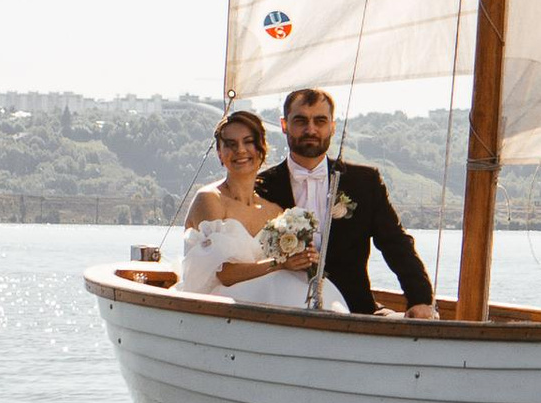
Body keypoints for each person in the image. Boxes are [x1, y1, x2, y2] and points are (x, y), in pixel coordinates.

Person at [255, 87, 441, 318]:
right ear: (284, 125)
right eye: (300, 120)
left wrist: (420, 298)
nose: (310, 129)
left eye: (320, 121)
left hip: (354, 309)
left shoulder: (364, 182)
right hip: (277, 311)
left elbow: (395, 243)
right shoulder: (261, 186)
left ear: (333, 126)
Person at [176, 108, 315, 313]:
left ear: (261, 149)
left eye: (248, 141)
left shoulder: (274, 212)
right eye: (230, 145)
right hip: (215, 307)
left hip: (266, 305)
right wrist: (281, 264)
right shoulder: (210, 199)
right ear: (219, 154)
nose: (240, 150)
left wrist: (305, 260)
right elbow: (224, 274)